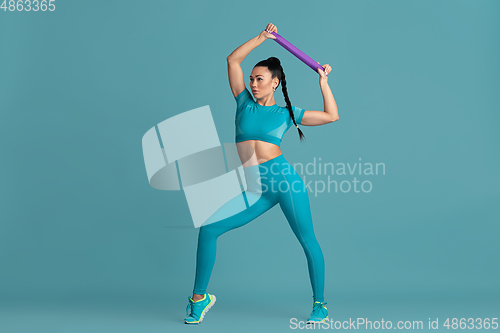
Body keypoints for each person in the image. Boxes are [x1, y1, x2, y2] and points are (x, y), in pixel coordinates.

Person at [184, 23, 339, 325]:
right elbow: (232, 61)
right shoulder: (243, 104)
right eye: (252, 79)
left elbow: (332, 115)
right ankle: (199, 299)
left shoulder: (286, 114)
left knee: (308, 241)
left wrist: (323, 81)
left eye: (259, 79)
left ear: (275, 83)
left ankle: (320, 304)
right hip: (255, 188)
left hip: (284, 183)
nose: (253, 84)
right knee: (209, 229)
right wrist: (261, 39)